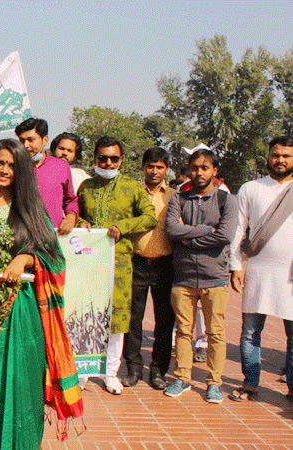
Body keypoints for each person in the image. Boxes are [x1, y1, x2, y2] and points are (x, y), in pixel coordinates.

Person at [0, 139, 82, 448]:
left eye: (12, 165)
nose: (5, 170)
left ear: (21, 170)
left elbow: (55, 258)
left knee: (22, 385)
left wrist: (26, 258)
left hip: (21, 314)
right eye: (0, 162)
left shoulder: (30, 210)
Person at [77, 136, 157, 395]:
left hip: (119, 263)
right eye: (103, 158)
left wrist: (124, 226)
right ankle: (84, 370)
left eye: (113, 158)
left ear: (121, 160)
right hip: (88, 260)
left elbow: (150, 218)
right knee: (87, 314)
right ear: (95, 159)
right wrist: (80, 223)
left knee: (117, 319)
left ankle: (111, 373)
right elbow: (74, 213)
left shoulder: (133, 188)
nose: (108, 163)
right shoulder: (86, 187)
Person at [164, 149, 238, 403]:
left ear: (214, 171)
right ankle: (182, 377)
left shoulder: (227, 201)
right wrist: (206, 229)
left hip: (214, 278)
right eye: (195, 168)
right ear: (189, 169)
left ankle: (214, 382)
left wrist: (190, 240)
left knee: (215, 332)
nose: (199, 173)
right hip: (183, 277)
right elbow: (172, 229)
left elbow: (225, 236)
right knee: (184, 330)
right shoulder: (179, 200)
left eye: (205, 168)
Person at [229, 136, 293, 402]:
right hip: (258, 269)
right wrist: (235, 265)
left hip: (290, 274)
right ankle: (250, 383)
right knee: (251, 332)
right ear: (268, 156)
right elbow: (238, 229)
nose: (280, 160)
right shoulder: (250, 188)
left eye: (286, 156)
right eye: (276, 155)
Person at [122, 147, 177, 390]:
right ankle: (133, 368)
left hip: (165, 264)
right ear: (143, 167)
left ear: (166, 169)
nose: (154, 171)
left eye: (160, 167)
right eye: (150, 166)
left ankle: (158, 371)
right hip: (137, 262)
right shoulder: (132, 193)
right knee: (133, 319)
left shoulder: (175, 197)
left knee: (165, 320)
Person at [15, 118, 78, 233]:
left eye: (31, 140)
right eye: (22, 140)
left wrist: (71, 216)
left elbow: (70, 199)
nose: (25, 145)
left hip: (52, 235)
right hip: (22, 234)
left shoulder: (61, 167)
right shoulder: (14, 167)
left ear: (45, 140)